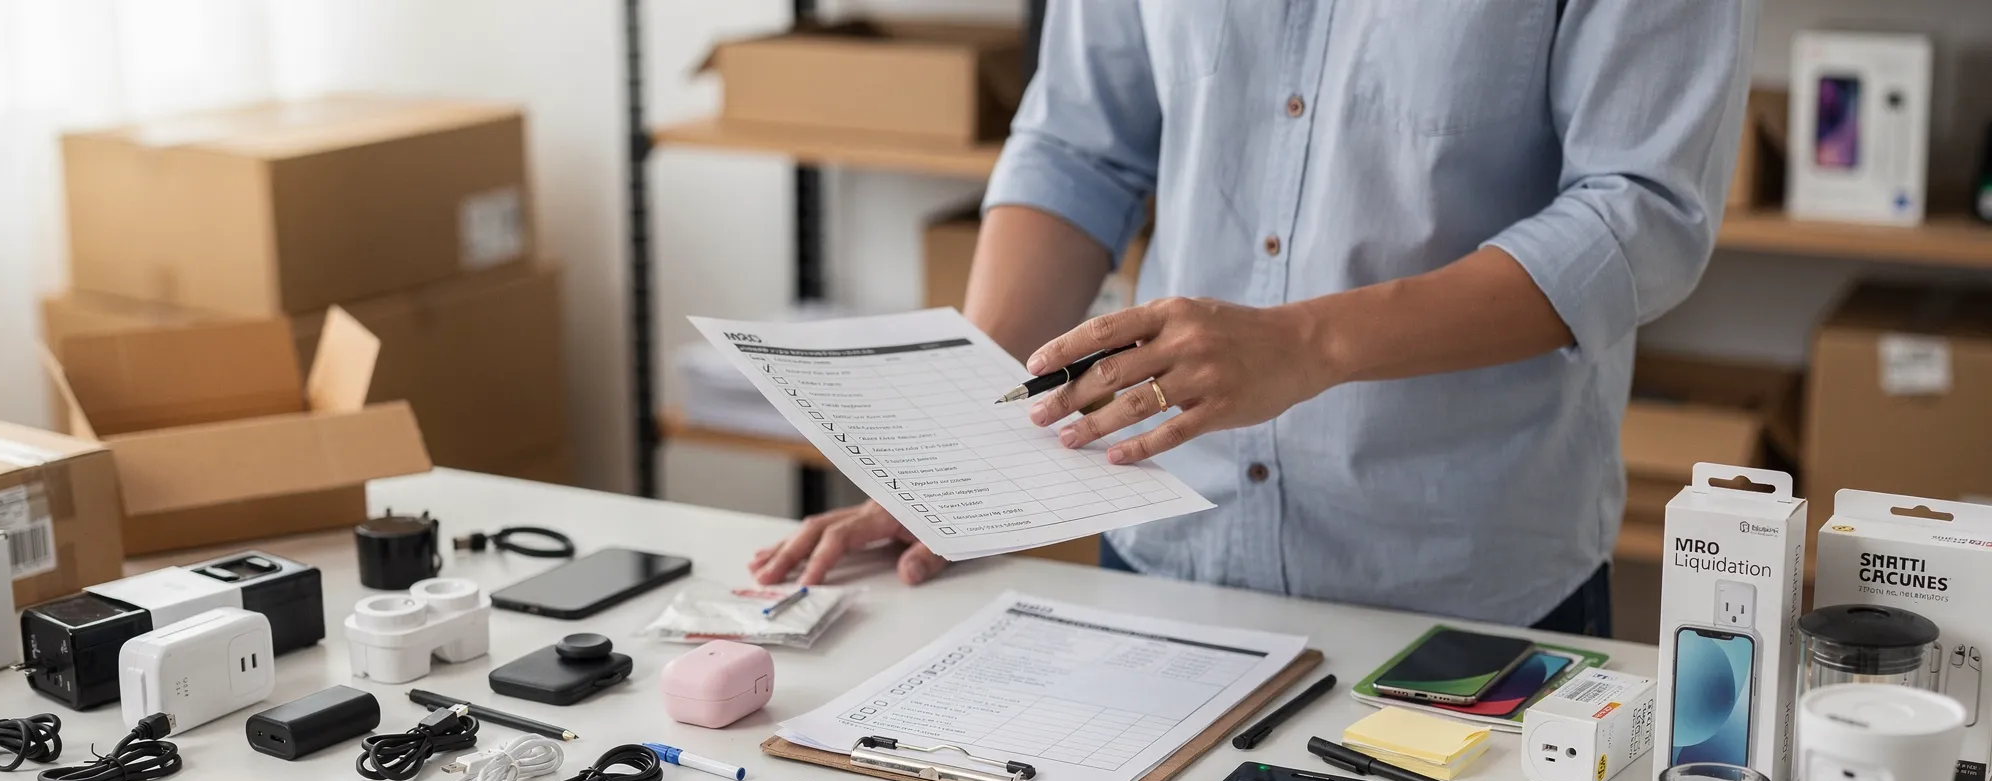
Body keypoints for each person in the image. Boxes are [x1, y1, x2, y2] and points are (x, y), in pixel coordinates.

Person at [751, 1, 1755, 638]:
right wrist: (957, 455)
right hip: (1166, 546)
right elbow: (1078, 147)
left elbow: (1640, 214)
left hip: (1460, 593)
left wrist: (1304, 344)